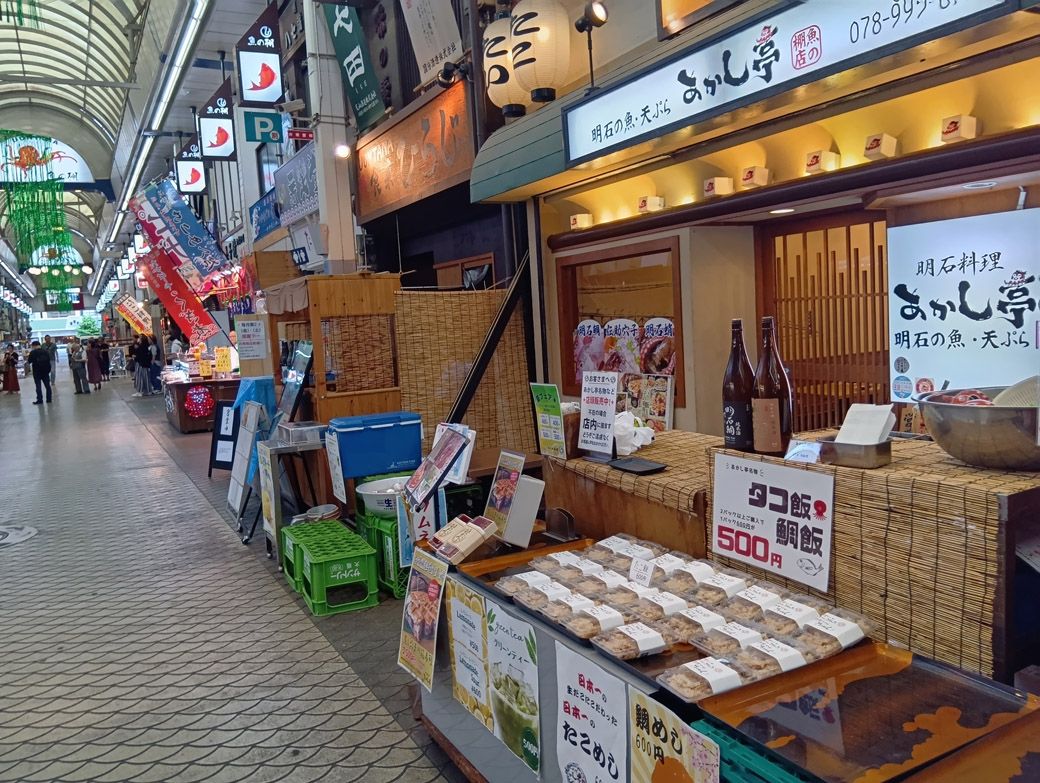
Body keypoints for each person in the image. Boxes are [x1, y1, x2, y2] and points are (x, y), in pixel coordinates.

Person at [26, 340, 51, 405]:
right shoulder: (45, 351)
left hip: (37, 371)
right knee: (47, 385)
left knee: (38, 386)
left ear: (34, 346)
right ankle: (49, 399)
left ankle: (40, 400)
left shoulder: (33, 352)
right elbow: (49, 360)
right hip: (45, 371)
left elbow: (29, 361)